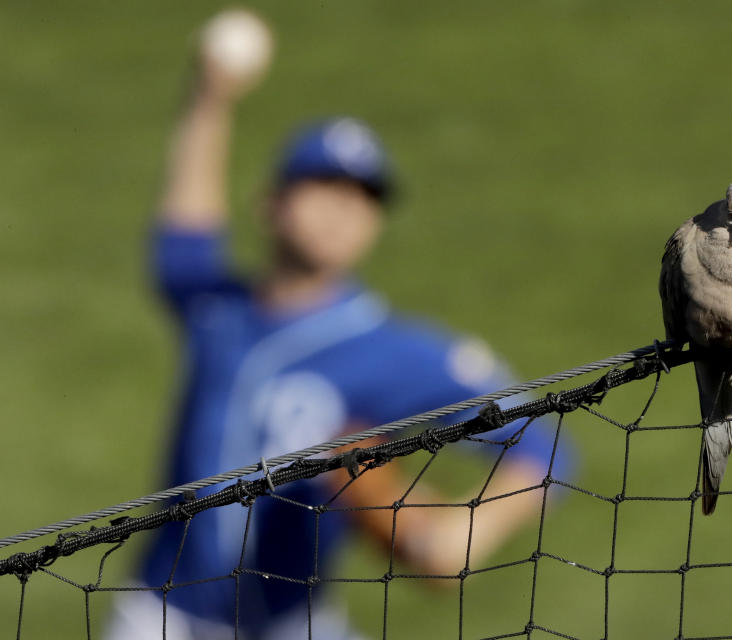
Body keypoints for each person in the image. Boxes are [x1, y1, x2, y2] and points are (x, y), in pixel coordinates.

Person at [105, 12, 571, 640]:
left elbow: (543, 443)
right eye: (323, 186)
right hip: (159, 616)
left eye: (362, 197)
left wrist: (472, 525)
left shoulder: (397, 351)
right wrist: (210, 99)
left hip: (294, 625)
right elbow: (184, 241)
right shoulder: (219, 310)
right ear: (271, 204)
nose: (342, 209)